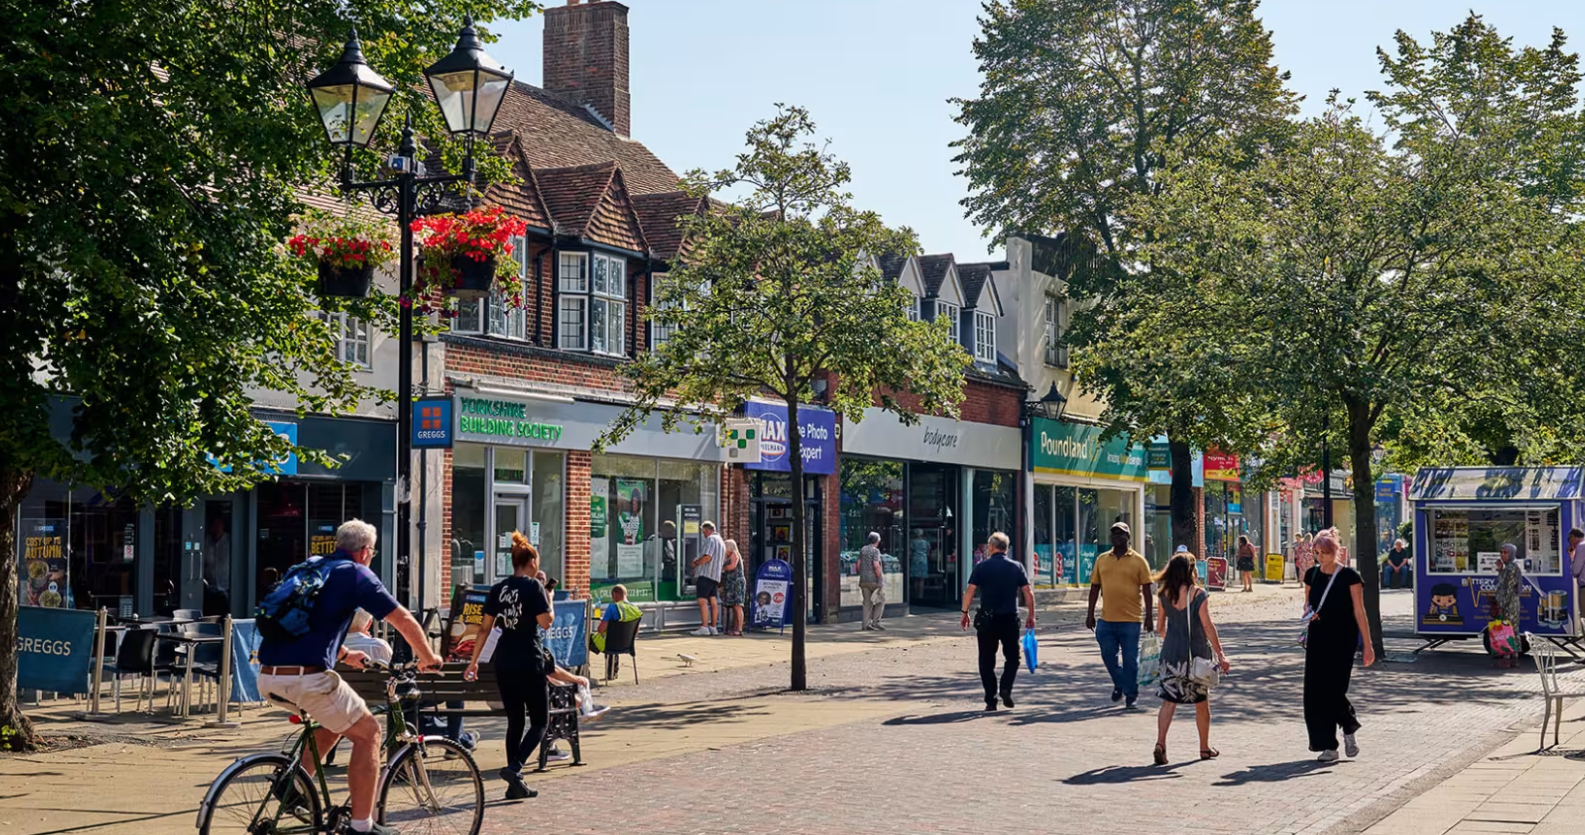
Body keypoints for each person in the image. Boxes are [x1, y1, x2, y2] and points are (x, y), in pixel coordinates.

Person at [256, 519, 441, 835]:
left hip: (268, 676)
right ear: (366, 551)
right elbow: (402, 618)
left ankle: (292, 783)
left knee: (336, 723)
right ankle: (361, 826)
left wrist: (344, 655)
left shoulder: (309, 568)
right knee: (369, 732)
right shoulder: (357, 574)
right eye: (372, 552)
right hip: (307, 678)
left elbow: (304, 624)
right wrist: (428, 657)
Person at [465, 532, 554, 800]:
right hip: (529, 658)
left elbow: (484, 629)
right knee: (540, 721)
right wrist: (548, 596)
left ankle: (514, 786)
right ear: (531, 561)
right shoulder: (533, 587)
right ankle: (515, 769)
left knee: (515, 721)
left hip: (503, 660)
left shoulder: (498, 589)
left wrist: (473, 663)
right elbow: (546, 622)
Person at [1151, 553, 1231, 764]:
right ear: (1190, 571)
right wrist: (1220, 653)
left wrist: (1172, 641)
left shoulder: (1164, 594)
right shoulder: (1198, 595)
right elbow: (1207, 625)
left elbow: (1160, 627)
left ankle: (1160, 743)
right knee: (1201, 702)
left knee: (1168, 701)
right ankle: (1204, 748)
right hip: (1195, 657)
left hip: (1170, 656)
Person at [1302, 529, 1374, 762]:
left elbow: (1359, 610)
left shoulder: (1349, 576)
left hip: (1343, 638)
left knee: (1333, 689)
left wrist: (1368, 645)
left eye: (1324, 552)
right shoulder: (1311, 575)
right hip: (1318, 637)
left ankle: (1348, 725)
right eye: (1316, 553)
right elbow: (1307, 604)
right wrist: (1308, 613)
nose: (1320, 557)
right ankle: (1328, 745)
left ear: (1335, 552)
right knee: (1314, 692)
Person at [960, 532, 1035, 711]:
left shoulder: (982, 567)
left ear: (991, 547)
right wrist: (1031, 615)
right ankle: (1006, 688)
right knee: (1013, 658)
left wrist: (965, 612)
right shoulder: (1016, 567)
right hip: (1009, 618)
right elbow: (1028, 592)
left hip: (987, 619)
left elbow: (970, 591)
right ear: (1006, 548)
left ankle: (990, 699)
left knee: (986, 660)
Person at [1086, 522, 1155, 709]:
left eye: (1122, 534)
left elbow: (1148, 590)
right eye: (1114, 534)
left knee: (1130, 661)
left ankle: (1131, 695)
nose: (1118, 537)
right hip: (1107, 620)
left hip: (1131, 621)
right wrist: (1090, 613)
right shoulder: (1102, 559)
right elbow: (1094, 588)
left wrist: (1149, 617)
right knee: (1108, 655)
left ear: (1128, 537)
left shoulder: (1139, 561)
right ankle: (1119, 682)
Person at [690, 521, 726, 636]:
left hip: (706, 574)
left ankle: (704, 627)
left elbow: (707, 557)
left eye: (703, 531)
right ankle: (713, 627)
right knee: (713, 601)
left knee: (702, 601)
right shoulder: (721, 541)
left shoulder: (711, 539)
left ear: (707, 530)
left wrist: (696, 563)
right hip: (715, 576)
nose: (703, 534)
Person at [590, 584, 645, 654]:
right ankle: (614, 664)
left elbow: (600, 629)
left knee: (587, 639)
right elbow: (636, 631)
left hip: (609, 646)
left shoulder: (613, 607)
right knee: (614, 641)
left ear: (614, 594)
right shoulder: (635, 609)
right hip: (627, 645)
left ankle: (583, 664)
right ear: (625, 594)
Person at [719, 539, 748, 635]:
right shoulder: (727, 556)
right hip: (730, 583)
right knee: (733, 606)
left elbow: (732, 566)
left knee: (738, 606)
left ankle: (739, 629)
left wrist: (722, 568)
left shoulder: (735, 554)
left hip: (737, 583)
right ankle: (734, 628)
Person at [203, 517, 231, 615]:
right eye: (214, 525)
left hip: (227, 587)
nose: (216, 528)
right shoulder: (205, 541)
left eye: (218, 525)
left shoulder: (230, 541)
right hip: (210, 588)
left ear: (223, 526)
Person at [858, 532, 886, 631]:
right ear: (877, 541)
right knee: (880, 600)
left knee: (867, 602)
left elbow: (858, 564)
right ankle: (876, 621)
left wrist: (862, 573)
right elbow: (876, 565)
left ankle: (865, 625)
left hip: (863, 580)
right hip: (874, 580)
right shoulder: (875, 551)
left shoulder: (863, 549)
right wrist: (880, 578)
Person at [1494, 543, 1522, 624]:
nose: (1502, 555)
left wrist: (1501, 607)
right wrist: (1500, 570)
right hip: (1507, 606)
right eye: (1501, 552)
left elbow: (1508, 590)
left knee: (1509, 632)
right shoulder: (1507, 567)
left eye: (1505, 553)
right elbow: (1502, 583)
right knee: (1508, 633)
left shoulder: (1511, 568)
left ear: (1511, 553)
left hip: (1509, 607)